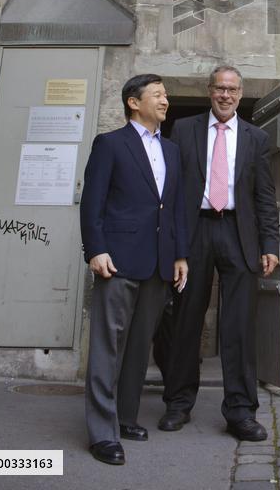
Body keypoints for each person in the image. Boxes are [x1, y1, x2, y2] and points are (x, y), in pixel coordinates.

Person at [159, 65, 279, 442]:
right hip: (195, 230)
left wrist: (269, 245)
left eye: (232, 89)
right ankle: (178, 403)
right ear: (209, 91)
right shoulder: (185, 129)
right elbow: (173, 190)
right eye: (219, 89)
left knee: (239, 326)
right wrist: (174, 242)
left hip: (239, 233)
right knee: (186, 320)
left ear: (240, 94)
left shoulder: (256, 138)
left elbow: (264, 197)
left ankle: (241, 411)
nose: (225, 95)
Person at [80, 74, 189, 466]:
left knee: (139, 348)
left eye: (165, 95)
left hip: (159, 263)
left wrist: (180, 255)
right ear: (133, 102)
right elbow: (91, 202)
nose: (165, 101)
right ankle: (101, 432)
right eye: (157, 95)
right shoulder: (110, 144)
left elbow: (174, 207)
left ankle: (124, 418)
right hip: (118, 259)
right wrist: (96, 250)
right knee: (108, 347)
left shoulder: (172, 151)